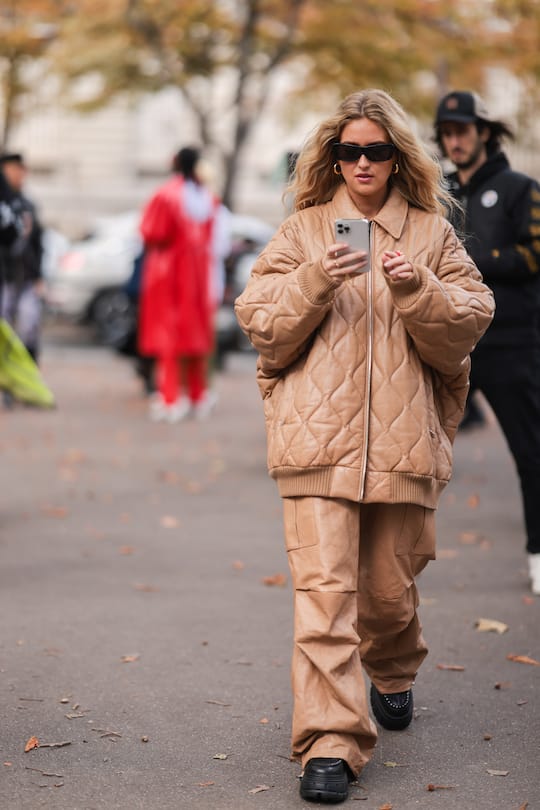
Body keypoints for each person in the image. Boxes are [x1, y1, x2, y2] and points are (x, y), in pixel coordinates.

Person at [235, 88, 494, 804]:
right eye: (348, 150)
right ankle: (330, 742)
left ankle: (395, 669)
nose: (362, 162)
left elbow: (470, 322)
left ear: (397, 157)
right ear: (331, 157)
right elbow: (261, 323)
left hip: (404, 446)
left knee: (385, 597)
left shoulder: (432, 234)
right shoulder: (305, 231)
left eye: (376, 150)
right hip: (315, 443)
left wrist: (420, 291)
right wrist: (318, 278)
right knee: (325, 599)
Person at [434, 90, 540, 596]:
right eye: (446, 132)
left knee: (531, 451)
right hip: (449, 337)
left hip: (511, 340)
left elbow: (532, 256)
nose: (454, 140)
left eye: (462, 129)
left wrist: (470, 257)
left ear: (483, 132)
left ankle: (538, 552)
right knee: (413, 448)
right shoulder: (439, 192)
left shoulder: (521, 188)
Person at [138, 146, 231, 422]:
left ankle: (170, 397)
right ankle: (197, 395)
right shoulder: (208, 199)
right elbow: (220, 242)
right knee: (196, 336)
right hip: (200, 275)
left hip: (168, 275)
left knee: (168, 335)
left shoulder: (166, 195)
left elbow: (151, 232)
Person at [0, 152, 44, 364]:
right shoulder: (5, 204)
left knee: (30, 324)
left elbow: (37, 242)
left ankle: (28, 370)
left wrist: (39, 275)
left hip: (25, 274)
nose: (18, 175)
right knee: (4, 329)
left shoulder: (27, 205)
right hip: (6, 275)